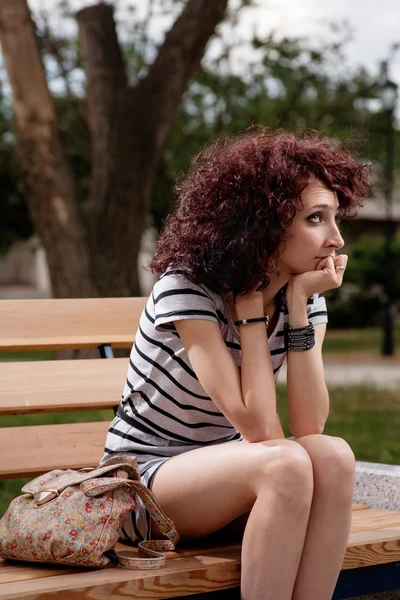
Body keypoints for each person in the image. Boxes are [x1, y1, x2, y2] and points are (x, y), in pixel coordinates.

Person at [102, 128, 370, 600]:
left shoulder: (299, 294)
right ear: (263, 224)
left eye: (335, 218)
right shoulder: (187, 289)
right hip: (143, 486)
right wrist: (249, 314)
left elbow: (310, 425)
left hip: (231, 481)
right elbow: (261, 431)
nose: (336, 238)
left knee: (333, 455)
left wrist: (301, 304)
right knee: (284, 463)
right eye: (316, 219)